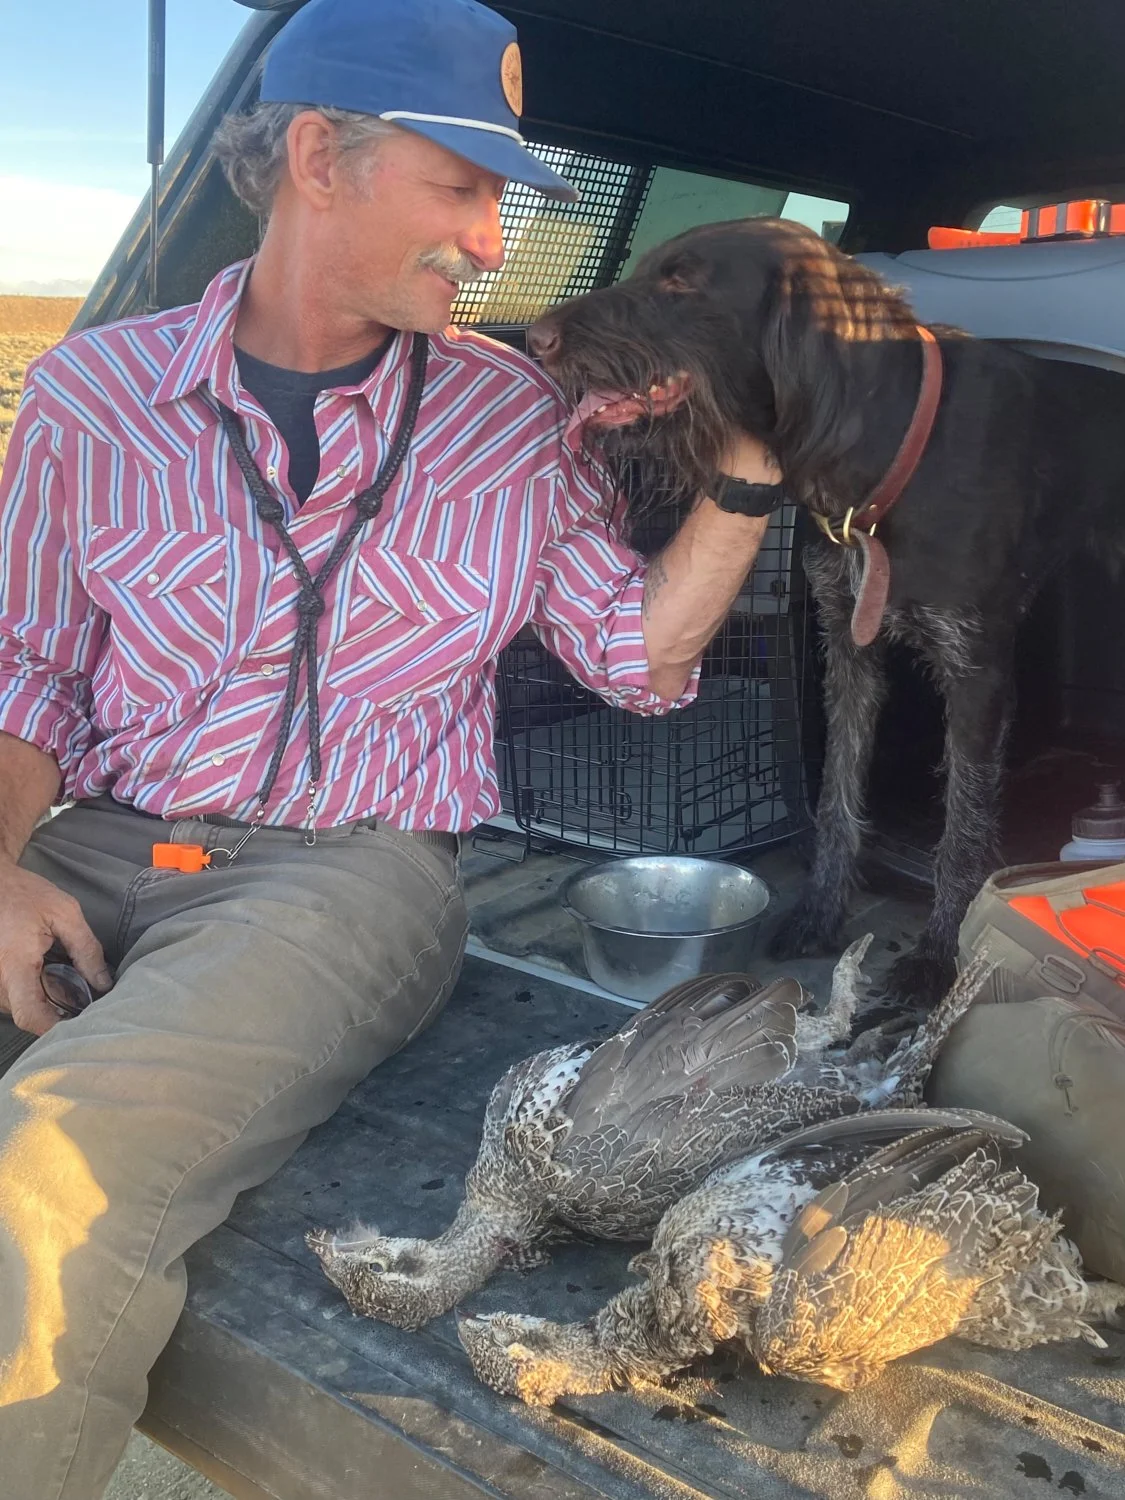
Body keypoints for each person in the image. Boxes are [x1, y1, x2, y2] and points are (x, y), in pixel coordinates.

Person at [0, 0, 779, 1491]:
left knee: (60, 1158)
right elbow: (26, 670)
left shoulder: (515, 418)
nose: (492, 244)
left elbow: (634, 658)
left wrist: (745, 466)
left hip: (343, 878)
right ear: (318, 157)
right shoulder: (91, 400)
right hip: (102, 836)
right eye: (464, 188)